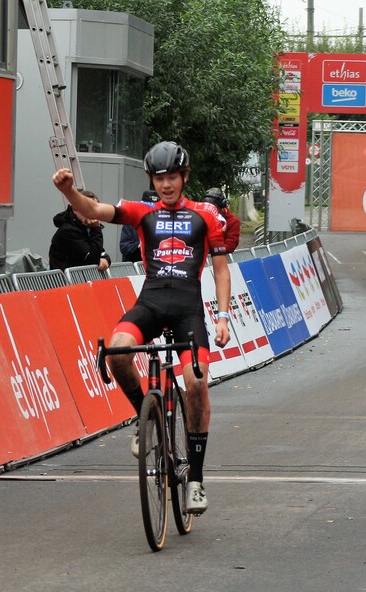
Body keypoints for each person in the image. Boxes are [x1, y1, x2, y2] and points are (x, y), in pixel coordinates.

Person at [53, 141, 230, 514]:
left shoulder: (204, 216)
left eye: (172, 177)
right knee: (116, 350)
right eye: (159, 178)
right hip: (149, 303)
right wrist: (69, 191)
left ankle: (195, 479)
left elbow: (221, 269)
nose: (166, 184)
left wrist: (223, 317)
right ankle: (143, 417)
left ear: (185, 177)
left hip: (187, 310)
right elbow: (94, 209)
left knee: (196, 382)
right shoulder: (142, 213)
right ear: (153, 179)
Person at [48, 188, 110, 271]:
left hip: (79, 280)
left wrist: (106, 259)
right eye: (88, 208)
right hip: (66, 282)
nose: (93, 213)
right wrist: (96, 228)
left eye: (95, 209)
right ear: (75, 209)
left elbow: (101, 252)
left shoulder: (86, 228)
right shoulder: (68, 231)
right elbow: (92, 259)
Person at [118, 190, 158, 263]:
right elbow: (124, 248)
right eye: (148, 206)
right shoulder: (130, 222)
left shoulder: (165, 224)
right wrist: (139, 246)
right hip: (134, 270)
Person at [204, 187, 241, 253]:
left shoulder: (233, 221)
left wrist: (209, 250)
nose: (210, 211)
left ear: (221, 205)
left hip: (222, 259)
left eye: (213, 208)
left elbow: (230, 247)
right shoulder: (202, 218)